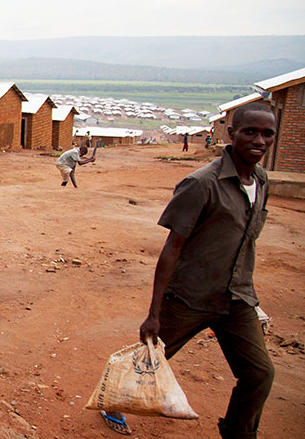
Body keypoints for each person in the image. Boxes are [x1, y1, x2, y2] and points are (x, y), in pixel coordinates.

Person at [101, 103, 276, 438]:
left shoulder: (262, 182)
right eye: (249, 131)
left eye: (267, 133)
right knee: (151, 359)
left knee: (259, 374)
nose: (258, 140)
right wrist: (154, 312)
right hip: (190, 298)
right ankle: (115, 402)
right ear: (231, 133)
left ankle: (239, 432)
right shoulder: (202, 184)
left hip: (236, 299)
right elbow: (172, 248)